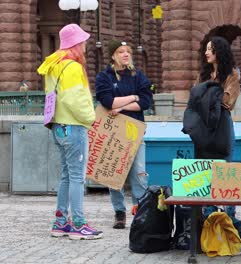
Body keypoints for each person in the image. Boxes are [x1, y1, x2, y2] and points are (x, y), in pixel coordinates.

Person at [37, 23, 102, 240]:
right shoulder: (73, 67)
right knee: (77, 177)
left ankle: (61, 222)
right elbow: (73, 99)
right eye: (82, 41)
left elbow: (54, 97)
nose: (85, 45)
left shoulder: (53, 65)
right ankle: (79, 225)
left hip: (58, 126)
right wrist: (91, 118)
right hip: (73, 127)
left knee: (66, 175)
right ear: (76, 43)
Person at [95, 40, 153, 229]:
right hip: (113, 131)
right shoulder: (104, 76)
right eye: (121, 52)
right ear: (113, 55)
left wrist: (122, 107)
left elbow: (145, 101)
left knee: (139, 172)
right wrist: (132, 97)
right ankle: (119, 212)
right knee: (114, 173)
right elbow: (107, 101)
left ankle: (140, 208)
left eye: (128, 51)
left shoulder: (138, 76)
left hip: (135, 128)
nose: (126, 55)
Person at [195, 36, 240, 218]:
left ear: (218, 52)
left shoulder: (232, 75)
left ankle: (230, 216)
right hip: (204, 125)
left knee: (225, 169)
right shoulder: (203, 75)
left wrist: (208, 95)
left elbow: (228, 101)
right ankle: (208, 214)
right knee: (206, 169)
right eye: (206, 49)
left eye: (209, 49)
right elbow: (195, 98)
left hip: (223, 124)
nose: (206, 52)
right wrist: (214, 96)